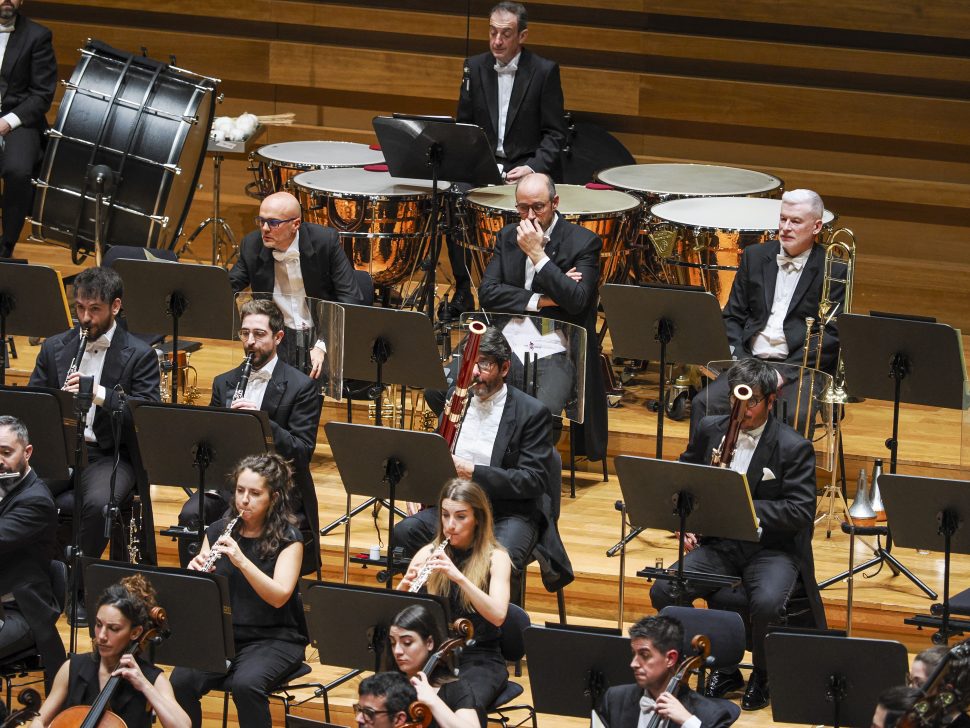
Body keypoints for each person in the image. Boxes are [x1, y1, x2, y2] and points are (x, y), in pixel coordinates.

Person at [648, 357, 824, 711]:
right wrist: (690, 518)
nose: (742, 410)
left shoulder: (793, 447)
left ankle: (763, 673)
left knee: (768, 603)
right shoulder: (711, 429)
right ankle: (720, 664)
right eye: (735, 399)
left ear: (771, 401)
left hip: (770, 549)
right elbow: (688, 476)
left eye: (752, 401)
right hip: (722, 545)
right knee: (665, 589)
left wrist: (741, 505)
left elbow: (801, 510)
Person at [29, 266, 160, 623]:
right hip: (59, 449)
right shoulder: (56, 347)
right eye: (80, 308)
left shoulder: (140, 354)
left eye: (95, 309)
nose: (85, 318)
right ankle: (29, 578)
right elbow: (34, 404)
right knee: (17, 492)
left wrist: (100, 394)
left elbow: (146, 418)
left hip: (109, 454)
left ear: (115, 306)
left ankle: (77, 586)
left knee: (100, 505)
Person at [394, 327, 571, 591]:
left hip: (507, 513)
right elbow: (434, 452)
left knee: (499, 559)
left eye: (484, 364)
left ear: (505, 368)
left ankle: (488, 626)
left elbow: (532, 481)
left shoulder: (532, 413)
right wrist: (416, 486)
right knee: (404, 533)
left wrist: (473, 472)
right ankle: (434, 613)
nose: (474, 373)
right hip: (455, 510)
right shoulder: (456, 398)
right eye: (469, 362)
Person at [176, 297, 322, 573]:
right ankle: (199, 584)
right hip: (231, 483)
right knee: (191, 513)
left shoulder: (301, 387)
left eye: (259, 334)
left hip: (279, 488)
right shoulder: (224, 383)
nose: (250, 342)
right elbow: (209, 441)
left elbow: (302, 451)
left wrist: (261, 422)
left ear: (278, 337)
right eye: (245, 333)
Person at [445, 1, 568, 316]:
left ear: (522, 36)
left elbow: (556, 134)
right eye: (493, 32)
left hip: (525, 168)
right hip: (483, 166)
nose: (497, 41)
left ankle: (518, 291)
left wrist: (533, 167)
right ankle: (463, 287)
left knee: (529, 204)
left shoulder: (543, 71)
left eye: (506, 34)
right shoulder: (474, 66)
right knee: (451, 198)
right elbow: (464, 127)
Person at [690, 188, 844, 435]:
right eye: (783, 219)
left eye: (795, 221)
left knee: (796, 415)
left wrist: (785, 372)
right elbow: (732, 316)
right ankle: (708, 471)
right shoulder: (755, 256)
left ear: (816, 227)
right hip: (750, 363)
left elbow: (831, 336)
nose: (785, 227)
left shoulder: (834, 270)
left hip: (798, 369)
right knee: (703, 403)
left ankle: (782, 473)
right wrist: (740, 362)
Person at [478, 172, 608, 463]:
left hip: (557, 346)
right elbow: (487, 293)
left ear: (555, 203)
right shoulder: (506, 237)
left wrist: (538, 256)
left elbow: (576, 302)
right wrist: (545, 299)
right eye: (522, 208)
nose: (530, 216)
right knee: (445, 390)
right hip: (506, 341)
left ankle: (524, 474)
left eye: (538, 207)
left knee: (542, 410)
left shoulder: (583, 243)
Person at [171, 453, 308, 728]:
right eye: (240, 491)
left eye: (255, 493)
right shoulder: (219, 531)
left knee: (246, 685)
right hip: (225, 635)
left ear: (275, 497)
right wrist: (196, 575)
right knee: (180, 682)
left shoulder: (289, 540)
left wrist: (241, 561)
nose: (244, 499)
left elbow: (279, 596)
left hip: (275, 638)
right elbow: (198, 598)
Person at [398, 480, 512, 713]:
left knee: (461, 704)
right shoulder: (428, 553)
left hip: (480, 658)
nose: (451, 525)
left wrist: (459, 577)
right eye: (445, 515)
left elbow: (498, 616)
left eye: (461, 517)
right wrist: (402, 589)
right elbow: (400, 621)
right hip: (434, 657)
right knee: (392, 698)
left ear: (477, 518)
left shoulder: (496, 558)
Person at [229, 190, 363, 378]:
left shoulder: (325, 242)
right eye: (261, 221)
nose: (265, 228)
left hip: (318, 335)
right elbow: (228, 287)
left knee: (308, 396)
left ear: (295, 224)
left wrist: (323, 345)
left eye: (273, 223)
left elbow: (351, 298)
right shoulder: (252, 245)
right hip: (275, 336)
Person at [31, 574, 190, 728]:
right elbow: (39, 721)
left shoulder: (152, 679)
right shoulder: (71, 668)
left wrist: (144, 686)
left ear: (135, 632)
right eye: (99, 624)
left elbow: (183, 726)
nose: (101, 636)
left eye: (114, 629)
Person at [0, 416, 64, 690]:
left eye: (5, 452)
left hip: (18, 610)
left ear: (27, 453)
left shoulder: (36, 501)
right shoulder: (4, 484)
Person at [595, 615, 737, 728]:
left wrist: (688, 722)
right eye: (634, 654)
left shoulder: (710, 715)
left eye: (644, 655)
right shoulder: (614, 699)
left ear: (670, 658)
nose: (633, 664)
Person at [0, 0, 57, 258]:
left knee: (18, 170)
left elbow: (42, 95)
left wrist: (8, 121)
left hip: (19, 119)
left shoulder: (38, 36)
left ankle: (6, 245)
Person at [387, 604, 481, 728]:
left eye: (407, 642)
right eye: (393, 643)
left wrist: (433, 700)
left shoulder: (455, 689)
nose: (397, 651)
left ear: (429, 643)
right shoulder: (389, 685)